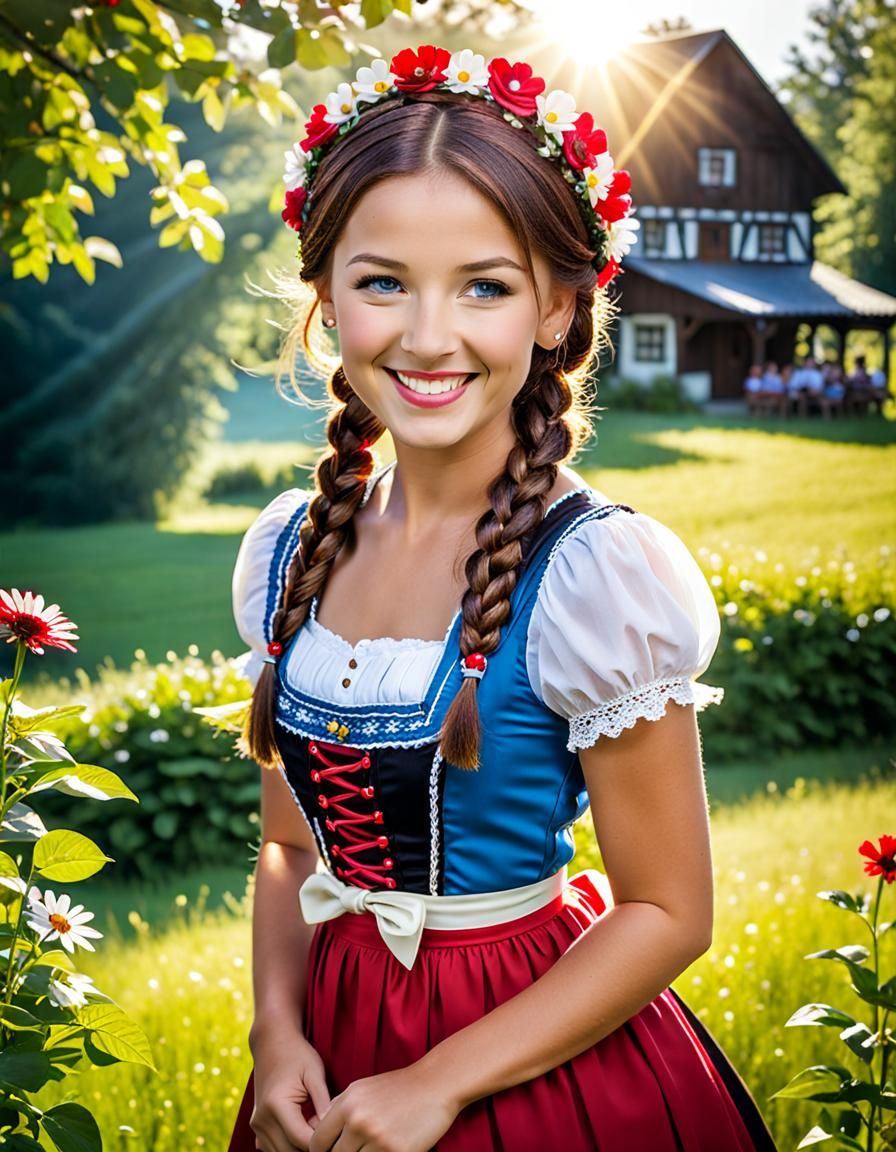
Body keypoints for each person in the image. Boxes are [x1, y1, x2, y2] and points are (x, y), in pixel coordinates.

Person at [226, 43, 778, 1152]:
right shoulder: (294, 549)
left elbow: (668, 912)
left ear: (559, 310)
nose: (427, 338)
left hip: (523, 1057)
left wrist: (437, 1080)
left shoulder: (591, 575)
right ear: (326, 297)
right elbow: (291, 850)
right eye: (382, 282)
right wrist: (276, 1036)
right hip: (329, 1051)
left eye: (483, 285)